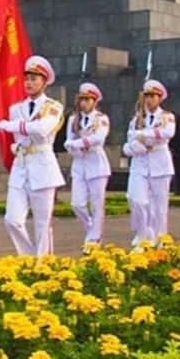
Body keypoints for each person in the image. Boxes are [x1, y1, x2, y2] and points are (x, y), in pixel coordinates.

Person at [0, 56, 66, 256]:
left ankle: (43, 264)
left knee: (43, 224)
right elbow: (23, 136)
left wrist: (12, 126)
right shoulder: (15, 108)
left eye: (34, 79)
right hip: (21, 165)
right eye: (27, 78)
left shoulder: (53, 106)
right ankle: (28, 257)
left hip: (43, 165)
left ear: (44, 82)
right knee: (12, 220)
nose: (29, 82)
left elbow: (43, 129)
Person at [124, 79, 176, 245]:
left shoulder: (167, 117)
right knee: (136, 200)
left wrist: (144, 135)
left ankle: (160, 238)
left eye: (153, 96)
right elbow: (128, 142)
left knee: (159, 207)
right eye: (147, 96)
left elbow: (167, 133)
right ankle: (143, 234)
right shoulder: (136, 120)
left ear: (160, 98)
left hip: (159, 164)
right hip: (139, 164)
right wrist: (135, 147)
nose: (149, 99)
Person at [65, 82, 112, 247]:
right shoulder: (73, 119)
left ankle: (94, 238)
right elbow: (69, 141)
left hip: (96, 164)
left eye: (87, 99)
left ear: (95, 101)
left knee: (97, 203)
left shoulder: (101, 119)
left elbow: (99, 138)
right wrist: (74, 148)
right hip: (79, 163)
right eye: (82, 99)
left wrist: (80, 143)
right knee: (77, 204)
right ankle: (92, 230)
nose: (83, 103)